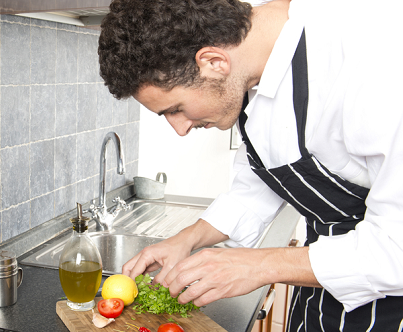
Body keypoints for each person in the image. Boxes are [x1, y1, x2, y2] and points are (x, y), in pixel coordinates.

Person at [98, 0, 403, 330]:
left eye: (176, 108)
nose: (180, 128)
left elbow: (396, 249)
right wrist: (188, 238)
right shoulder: (248, 74)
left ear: (214, 61)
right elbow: (257, 188)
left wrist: (260, 266)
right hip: (324, 283)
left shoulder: (373, 55)